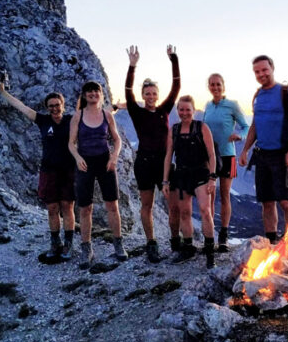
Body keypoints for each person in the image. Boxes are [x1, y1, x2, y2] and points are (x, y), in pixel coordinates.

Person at [0, 81, 76, 260]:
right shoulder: (43, 120)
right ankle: (55, 244)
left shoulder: (72, 120)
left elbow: (93, 114)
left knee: (67, 207)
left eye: (57, 105)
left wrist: (116, 107)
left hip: (68, 170)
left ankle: (69, 244)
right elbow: (22, 107)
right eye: (51, 106)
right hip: (49, 171)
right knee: (52, 208)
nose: (54, 108)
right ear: (47, 108)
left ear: (63, 105)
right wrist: (3, 93)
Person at [239, 55, 288, 244]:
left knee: (285, 201)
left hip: (282, 154)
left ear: (272, 68)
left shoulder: (287, 93)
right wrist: (245, 150)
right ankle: (271, 242)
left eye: (264, 70)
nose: (261, 74)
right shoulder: (258, 96)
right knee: (267, 202)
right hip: (262, 155)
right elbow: (255, 125)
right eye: (257, 72)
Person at [125, 45, 181, 263]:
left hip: (165, 163)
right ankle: (152, 243)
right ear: (143, 96)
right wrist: (132, 66)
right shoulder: (136, 112)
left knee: (174, 205)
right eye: (147, 93)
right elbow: (128, 90)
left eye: (154, 93)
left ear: (157, 96)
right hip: (145, 164)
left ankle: (175, 240)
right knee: (146, 206)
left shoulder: (164, 110)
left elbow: (176, 87)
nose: (151, 96)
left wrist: (173, 60)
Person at [69, 81, 127, 267]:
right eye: (90, 91)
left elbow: (117, 140)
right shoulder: (78, 116)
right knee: (85, 208)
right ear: (85, 96)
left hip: (105, 162)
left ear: (100, 95)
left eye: (96, 91)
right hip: (85, 163)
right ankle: (87, 248)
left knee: (112, 204)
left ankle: (118, 244)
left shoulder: (107, 115)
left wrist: (114, 157)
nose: (93, 94)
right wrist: (77, 158)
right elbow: (71, 143)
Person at [162, 95, 218, 269]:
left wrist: (212, 177)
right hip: (181, 174)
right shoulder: (175, 129)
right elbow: (168, 155)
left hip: (201, 173)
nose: (184, 113)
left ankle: (210, 252)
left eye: (188, 109)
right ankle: (188, 247)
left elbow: (211, 154)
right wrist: (165, 181)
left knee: (205, 210)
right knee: (184, 213)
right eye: (181, 109)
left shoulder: (202, 127)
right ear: (177, 110)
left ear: (194, 110)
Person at [202, 73, 249, 252]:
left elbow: (246, 126)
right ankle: (211, 233)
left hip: (228, 155)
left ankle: (223, 235)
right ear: (209, 87)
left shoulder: (232, 105)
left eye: (218, 84)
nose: (215, 87)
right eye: (212, 84)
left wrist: (240, 136)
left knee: (225, 195)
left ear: (223, 86)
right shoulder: (207, 106)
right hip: (209, 156)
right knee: (210, 195)